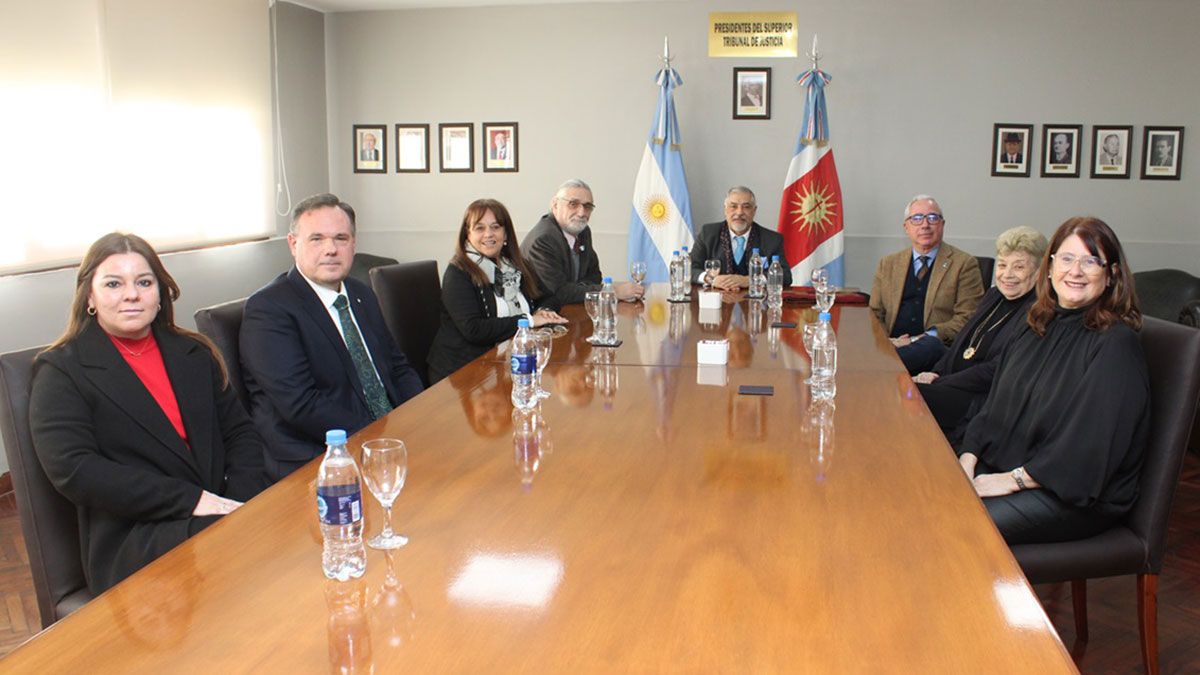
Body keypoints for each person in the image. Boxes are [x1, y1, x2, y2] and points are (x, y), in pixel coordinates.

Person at [29, 233, 269, 594]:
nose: (132, 294)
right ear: (89, 296)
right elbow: (75, 469)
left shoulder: (194, 352)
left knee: (283, 529)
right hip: (136, 534)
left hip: (219, 507)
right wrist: (192, 501)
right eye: (113, 284)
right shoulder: (61, 370)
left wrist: (241, 500)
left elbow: (240, 433)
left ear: (159, 294)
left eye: (144, 282)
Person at [957, 217, 1148, 545]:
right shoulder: (1034, 324)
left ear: (1111, 275)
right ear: (1050, 267)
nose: (1075, 271)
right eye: (1067, 258)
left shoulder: (1116, 343)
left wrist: (1012, 480)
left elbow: (1087, 448)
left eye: (1091, 261)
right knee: (925, 493)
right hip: (1011, 468)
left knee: (954, 523)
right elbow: (994, 405)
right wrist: (968, 457)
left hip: (1071, 494)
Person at [240, 193, 424, 481]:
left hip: (385, 438)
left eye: (341, 238)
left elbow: (398, 367)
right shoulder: (269, 309)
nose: (331, 249)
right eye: (317, 239)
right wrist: (379, 437)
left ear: (354, 244)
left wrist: (418, 416)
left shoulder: (361, 293)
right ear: (293, 244)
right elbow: (302, 405)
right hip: (320, 458)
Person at [914, 226, 1047, 443]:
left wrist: (941, 382)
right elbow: (962, 342)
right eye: (1002, 265)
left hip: (982, 403)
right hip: (952, 384)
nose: (1007, 274)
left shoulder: (1039, 312)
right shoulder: (994, 295)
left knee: (907, 399)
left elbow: (996, 370)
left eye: (1019, 267)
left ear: (1039, 271)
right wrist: (935, 372)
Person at [427, 199, 568, 383]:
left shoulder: (516, 265)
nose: (488, 234)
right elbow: (474, 329)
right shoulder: (458, 272)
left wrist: (543, 311)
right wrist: (529, 320)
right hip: (463, 374)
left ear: (505, 233)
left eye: (495, 227)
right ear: (467, 234)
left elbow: (549, 297)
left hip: (509, 364)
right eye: (479, 228)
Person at [869, 194, 984, 374]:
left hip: (935, 349)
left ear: (942, 224)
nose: (925, 225)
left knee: (931, 345)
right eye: (917, 218)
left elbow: (968, 317)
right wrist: (887, 342)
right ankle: (884, 366)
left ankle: (877, 368)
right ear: (906, 227)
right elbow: (874, 313)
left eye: (932, 218)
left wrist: (917, 339)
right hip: (893, 345)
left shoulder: (964, 264)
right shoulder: (888, 264)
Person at [522, 178, 643, 306]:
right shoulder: (543, 239)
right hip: (543, 312)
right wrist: (612, 292)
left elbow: (595, 276)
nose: (581, 213)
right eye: (573, 204)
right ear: (555, 205)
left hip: (572, 308)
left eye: (587, 206)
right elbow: (559, 292)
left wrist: (577, 289)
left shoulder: (583, 231)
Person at [689, 186, 792, 290]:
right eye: (733, 206)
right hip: (717, 298)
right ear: (725, 209)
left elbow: (786, 276)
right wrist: (711, 279)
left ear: (754, 211)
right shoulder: (708, 234)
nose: (739, 212)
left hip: (756, 299)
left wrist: (751, 280)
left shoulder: (772, 239)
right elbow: (689, 268)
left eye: (746, 207)